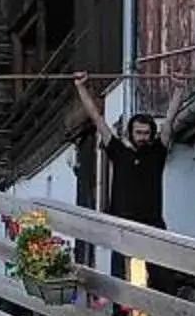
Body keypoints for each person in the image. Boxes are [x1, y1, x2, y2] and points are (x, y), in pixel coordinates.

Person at [71, 73, 169, 289]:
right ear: (131, 133)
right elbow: (96, 119)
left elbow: (170, 121)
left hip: (152, 224)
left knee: (162, 280)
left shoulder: (157, 154)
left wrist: (180, 89)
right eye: (138, 132)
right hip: (121, 225)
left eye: (146, 133)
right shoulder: (119, 152)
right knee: (122, 280)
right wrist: (81, 88)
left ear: (151, 133)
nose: (142, 137)